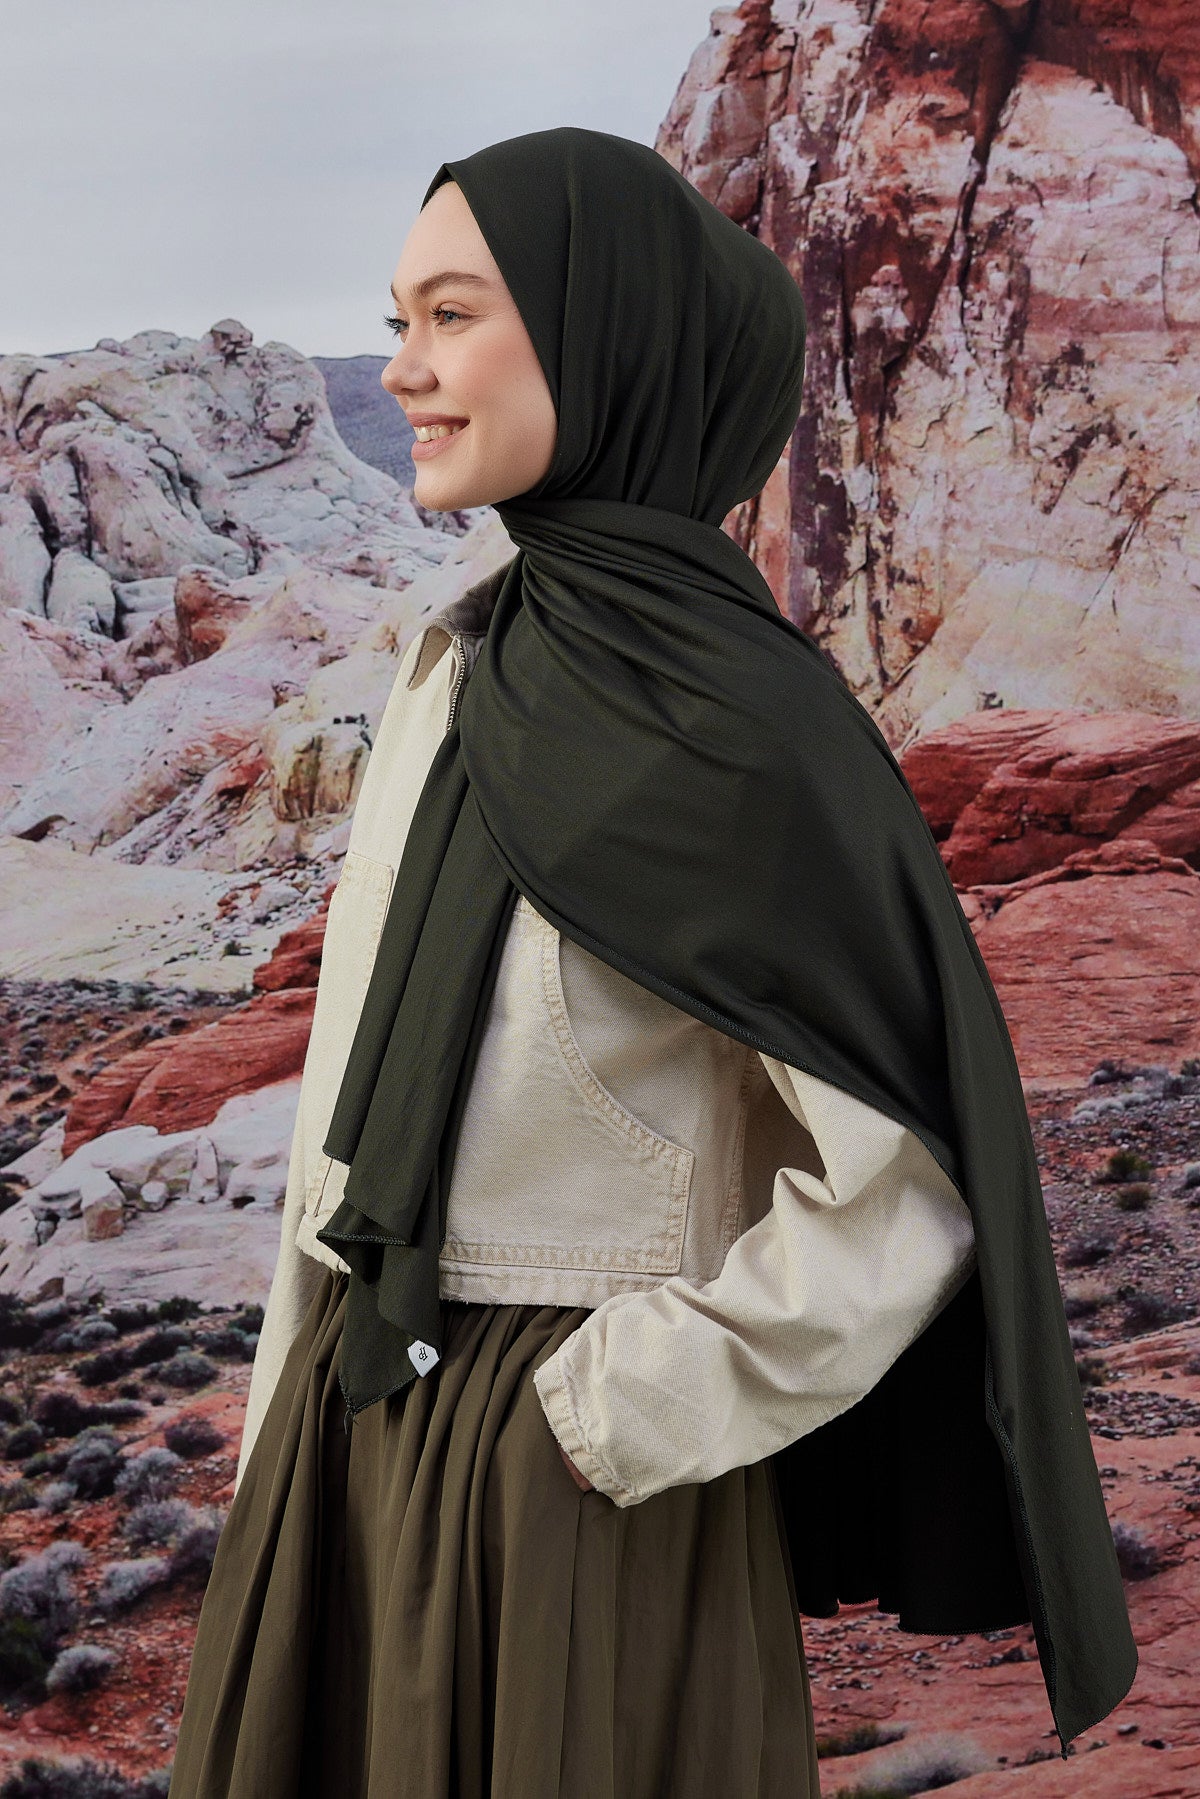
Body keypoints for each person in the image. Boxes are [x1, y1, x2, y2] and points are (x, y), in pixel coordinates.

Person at [168, 128, 1135, 1799]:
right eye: (395, 320)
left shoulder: (744, 732)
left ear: (599, 338)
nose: (401, 370)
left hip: (574, 1479)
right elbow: (347, 1109)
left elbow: (911, 1187)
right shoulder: (458, 673)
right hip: (353, 1417)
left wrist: (616, 1410)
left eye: (452, 316)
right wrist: (286, 1429)